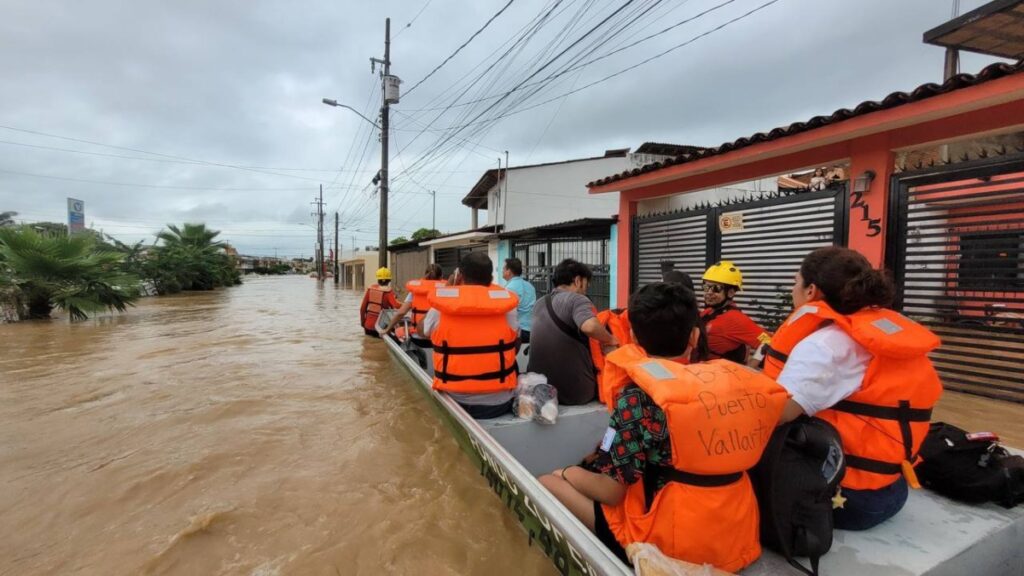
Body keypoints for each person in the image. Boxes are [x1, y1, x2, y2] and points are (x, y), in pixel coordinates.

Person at [538, 283, 788, 571]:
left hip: (669, 545)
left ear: (632, 337)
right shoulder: (735, 386)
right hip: (734, 537)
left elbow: (611, 492)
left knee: (549, 481)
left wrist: (568, 472)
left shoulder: (637, 397)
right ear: (694, 336)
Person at [765, 246, 943, 530]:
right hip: (891, 488)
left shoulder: (825, 345)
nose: (792, 288)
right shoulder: (878, 332)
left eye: (794, 281)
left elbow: (775, 414)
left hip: (844, 496)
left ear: (811, 291)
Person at [420, 251, 519, 419]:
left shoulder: (441, 307)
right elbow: (514, 347)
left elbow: (421, 331)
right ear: (490, 277)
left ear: (460, 275)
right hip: (498, 404)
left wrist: (448, 290)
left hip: (453, 400)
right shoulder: (507, 308)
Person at [528, 258, 618, 405]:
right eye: (586, 285)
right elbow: (590, 327)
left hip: (540, 388)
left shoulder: (540, 303)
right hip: (574, 393)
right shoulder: (577, 299)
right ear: (577, 280)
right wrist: (609, 339)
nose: (585, 290)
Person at [700, 261, 770, 363]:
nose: (709, 293)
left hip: (718, 375)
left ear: (731, 292)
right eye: (706, 287)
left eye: (716, 288)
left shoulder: (735, 319)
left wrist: (752, 366)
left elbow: (768, 341)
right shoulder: (708, 312)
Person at [381, 263, 445, 338]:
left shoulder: (415, 291)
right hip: (439, 335)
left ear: (425, 276)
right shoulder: (446, 291)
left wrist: (387, 330)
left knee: (399, 331)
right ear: (441, 277)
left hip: (419, 335)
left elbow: (401, 313)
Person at [502, 257, 537, 344]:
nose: (502, 271)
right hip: (532, 329)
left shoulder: (509, 288)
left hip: (518, 331)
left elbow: (507, 311)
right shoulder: (530, 286)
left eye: (503, 268)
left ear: (509, 271)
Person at [360, 267, 400, 337]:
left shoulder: (370, 290)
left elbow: (362, 309)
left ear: (378, 280)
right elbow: (396, 306)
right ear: (389, 281)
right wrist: (407, 304)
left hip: (368, 326)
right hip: (381, 327)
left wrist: (363, 323)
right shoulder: (388, 292)